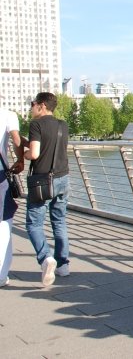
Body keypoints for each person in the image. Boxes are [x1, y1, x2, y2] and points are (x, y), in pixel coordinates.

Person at [23, 92, 70, 287]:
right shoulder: (63, 125)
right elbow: (51, 147)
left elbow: (34, 153)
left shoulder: (36, 125)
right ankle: (63, 264)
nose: (31, 107)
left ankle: (45, 258)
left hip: (42, 180)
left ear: (41, 105)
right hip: (63, 177)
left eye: (33, 104)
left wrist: (23, 152)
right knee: (59, 221)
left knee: (34, 223)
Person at [1, 106, 24, 287]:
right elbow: (16, 139)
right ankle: (1, 274)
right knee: (3, 221)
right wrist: (20, 159)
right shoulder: (7, 115)